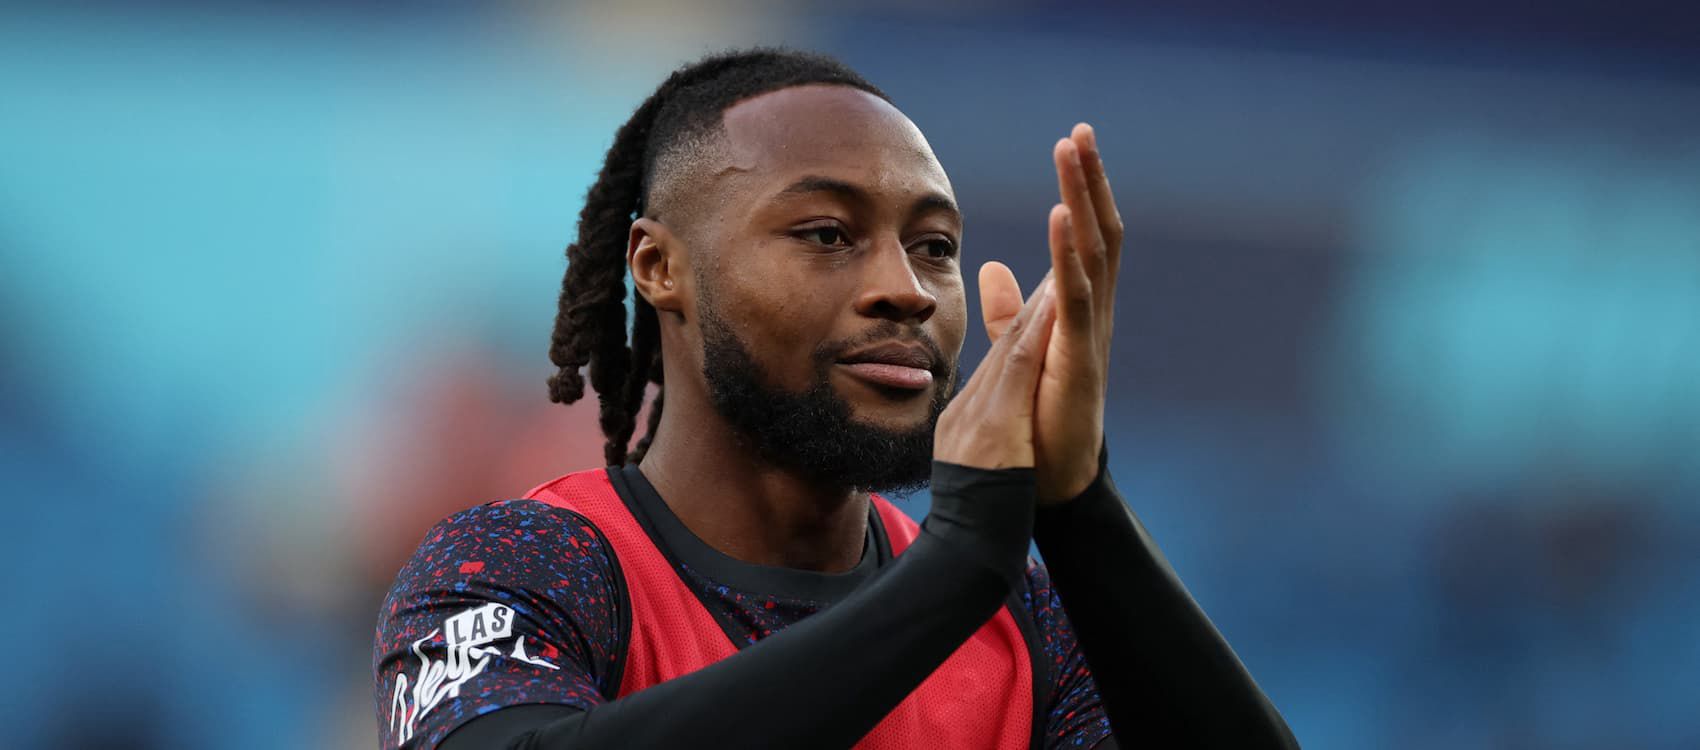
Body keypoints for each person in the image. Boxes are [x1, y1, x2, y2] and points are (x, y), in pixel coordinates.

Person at [373, 48, 1296, 749]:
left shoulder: (1025, 625)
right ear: (659, 267)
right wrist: (958, 567)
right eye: (826, 234)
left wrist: (1079, 504)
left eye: (935, 247)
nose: (906, 289)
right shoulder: (525, 568)